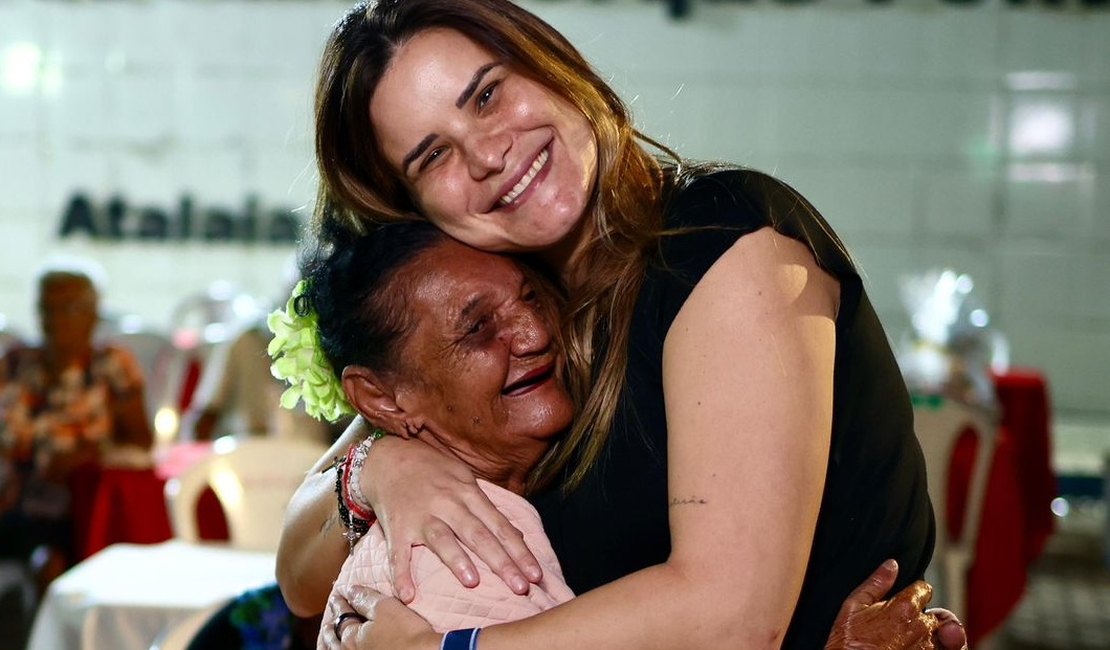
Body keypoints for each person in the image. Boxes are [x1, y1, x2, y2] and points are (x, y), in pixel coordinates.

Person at [278, 1, 964, 648]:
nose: (486, 154)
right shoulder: (516, 311)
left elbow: (730, 621)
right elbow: (298, 574)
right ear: (417, 206)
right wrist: (378, 471)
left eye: (487, 94)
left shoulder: (722, 239)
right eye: (433, 155)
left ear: (550, 66)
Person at [0, 257, 154, 590]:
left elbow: (142, 442)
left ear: (93, 314)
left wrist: (85, 455)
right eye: (46, 309)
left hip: (78, 505)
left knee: (50, 559)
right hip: (14, 499)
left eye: (67, 309)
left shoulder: (112, 365)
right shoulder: (15, 362)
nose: (54, 321)